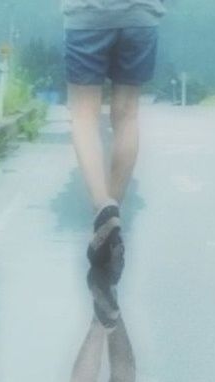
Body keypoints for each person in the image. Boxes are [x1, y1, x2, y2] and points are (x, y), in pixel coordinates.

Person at [63, 1, 166, 276]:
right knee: (127, 115)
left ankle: (102, 206)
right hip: (140, 15)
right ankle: (112, 215)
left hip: (86, 13)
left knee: (84, 114)